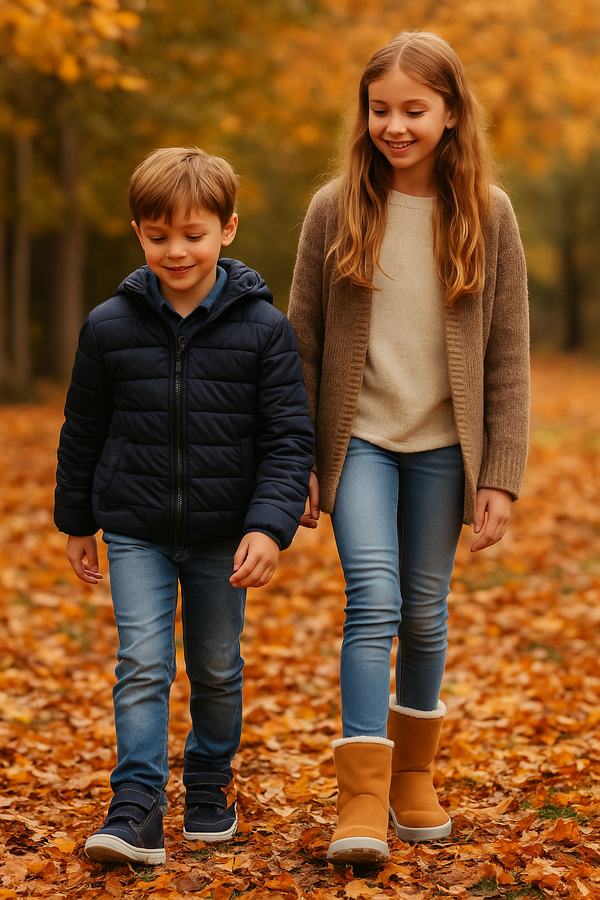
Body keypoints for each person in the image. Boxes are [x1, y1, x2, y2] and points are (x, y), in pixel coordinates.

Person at [288, 31, 529, 865]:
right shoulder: (336, 207)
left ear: (452, 114)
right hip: (356, 440)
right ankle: (360, 792)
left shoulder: (488, 216)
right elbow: (304, 344)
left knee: (425, 613)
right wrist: (301, 462)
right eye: (380, 109)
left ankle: (412, 777)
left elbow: (507, 354)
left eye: (414, 111)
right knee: (374, 602)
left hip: (441, 448)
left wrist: (499, 475)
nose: (395, 125)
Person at [54, 147, 314, 866]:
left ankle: (208, 783)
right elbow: (83, 428)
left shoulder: (263, 329)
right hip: (134, 527)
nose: (176, 250)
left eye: (193, 234)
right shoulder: (110, 324)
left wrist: (270, 525)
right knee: (141, 661)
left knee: (217, 665)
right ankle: (136, 805)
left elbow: (290, 439)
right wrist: (77, 519)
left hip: (221, 533)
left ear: (227, 230)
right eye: (158, 234)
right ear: (139, 231)